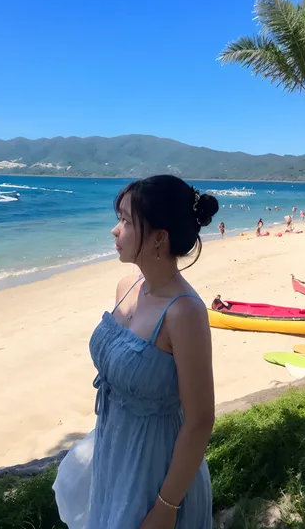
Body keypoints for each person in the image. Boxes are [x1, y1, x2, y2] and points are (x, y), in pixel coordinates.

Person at [54, 175, 217, 529]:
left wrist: (166, 506)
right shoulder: (127, 286)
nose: (115, 230)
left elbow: (200, 420)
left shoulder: (184, 312)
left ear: (159, 238)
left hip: (157, 469)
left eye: (126, 221)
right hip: (114, 451)